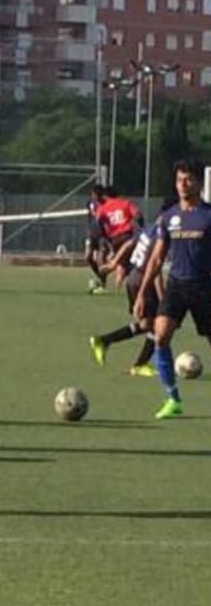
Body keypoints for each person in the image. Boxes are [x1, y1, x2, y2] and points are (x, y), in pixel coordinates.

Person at [133, 159, 211, 419]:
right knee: (161, 335)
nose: (182, 184)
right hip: (176, 286)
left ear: (199, 183)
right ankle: (172, 398)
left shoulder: (208, 215)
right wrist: (144, 292)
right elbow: (156, 258)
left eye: (188, 179)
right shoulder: (169, 217)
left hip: (204, 287)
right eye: (179, 180)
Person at [89, 216, 161, 375]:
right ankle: (139, 365)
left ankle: (104, 340)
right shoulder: (162, 232)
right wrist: (162, 297)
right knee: (158, 324)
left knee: (147, 324)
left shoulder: (150, 229)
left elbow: (130, 244)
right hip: (143, 280)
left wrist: (114, 263)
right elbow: (155, 266)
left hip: (133, 278)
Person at [94, 186, 143, 288]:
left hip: (115, 239)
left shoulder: (103, 208)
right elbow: (138, 214)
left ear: (106, 196)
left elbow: (98, 221)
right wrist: (139, 225)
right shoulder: (126, 203)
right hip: (128, 236)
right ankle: (120, 285)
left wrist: (104, 236)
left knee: (122, 263)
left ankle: (116, 284)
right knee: (126, 263)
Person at [84, 183, 109, 294]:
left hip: (103, 236)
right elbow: (90, 217)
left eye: (97, 194)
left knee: (100, 260)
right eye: (94, 194)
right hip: (92, 234)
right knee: (88, 257)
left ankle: (102, 284)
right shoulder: (90, 203)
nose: (95, 196)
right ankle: (98, 276)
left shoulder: (106, 204)